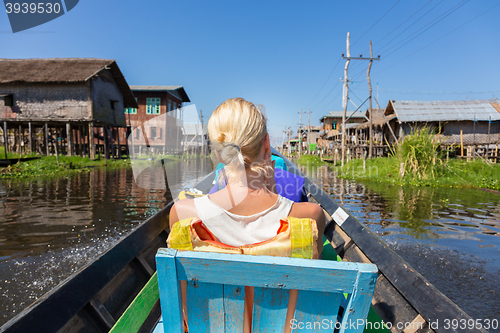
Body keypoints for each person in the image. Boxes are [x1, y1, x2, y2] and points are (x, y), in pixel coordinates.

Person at [169, 97, 325, 256]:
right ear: (266, 143)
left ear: (219, 154)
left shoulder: (182, 214)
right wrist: (273, 192)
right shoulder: (310, 216)